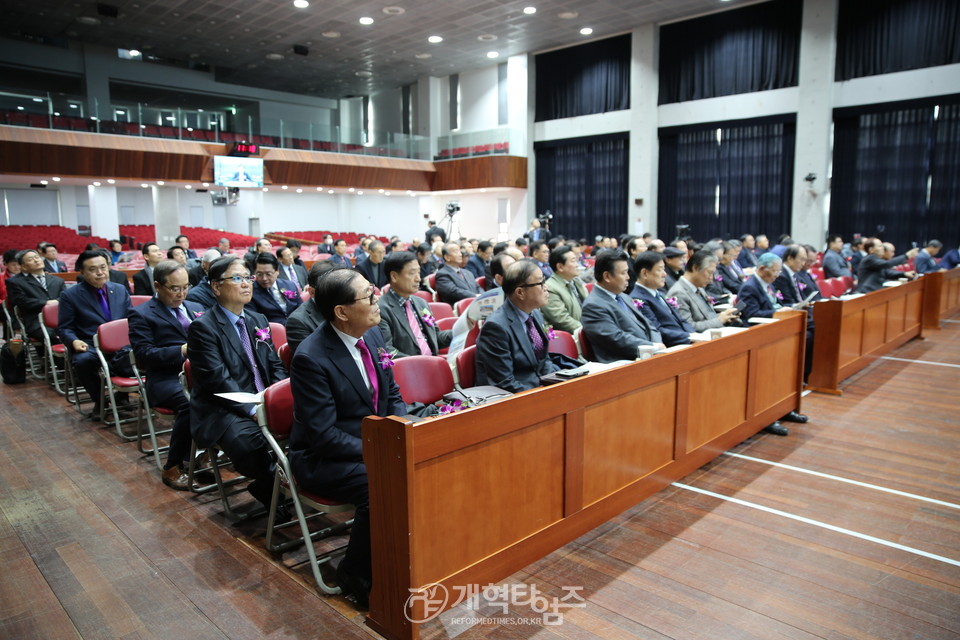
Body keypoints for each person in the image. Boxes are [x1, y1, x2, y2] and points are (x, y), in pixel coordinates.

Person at [287, 269, 408, 609]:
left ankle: (405, 555)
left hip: (375, 444)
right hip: (325, 459)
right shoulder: (312, 357)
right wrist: (384, 451)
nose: (377, 300)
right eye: (368, 297)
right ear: (341, 312)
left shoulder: (371, 334)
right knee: (382, 485)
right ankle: (354, 573)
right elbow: (324, 437)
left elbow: (392, 394)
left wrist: (400, 429)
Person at [186, 255, 286, 511]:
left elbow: (273, 365)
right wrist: (254, 410)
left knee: (306, 424)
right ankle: (269, 484)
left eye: (248, 277)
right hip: (222, 407)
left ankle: (284, 482)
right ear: (216, 287)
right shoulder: (203, 327)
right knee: (249, 441)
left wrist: (277, 399)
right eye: (237, 278)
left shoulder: (258, 320)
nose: (247, 284)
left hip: (261, 398)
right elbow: (217, 380)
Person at [128, 260, 204, 490]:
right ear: (158, 286)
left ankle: (206, 452)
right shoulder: (141, 314)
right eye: (174, 288)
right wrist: (180, 351)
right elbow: (144, 355)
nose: (181, 293)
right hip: (166, 378)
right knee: (190, 404)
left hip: (200, 374)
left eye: (185, 286)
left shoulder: (194, 306)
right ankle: (172, 465)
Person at [475, 260, 579, 392]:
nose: (546, 287)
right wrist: (541, 396)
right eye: (540, 283)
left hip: (539, 386)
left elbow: (544, 359)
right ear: (520, 293)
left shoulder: (535, 313)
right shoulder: (496, 328)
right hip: (514, 396)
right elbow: (504, 382)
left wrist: (553, 384)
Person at [58, 249, 134, 416]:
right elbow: (65, 328)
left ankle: (122, 396)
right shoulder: (70, 295)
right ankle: (100, 401)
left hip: (122, 344)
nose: (100, 273)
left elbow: (132, 319)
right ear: (83, 272)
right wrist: (74, 341)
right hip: (91, 345)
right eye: (93, 269)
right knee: (82, 361)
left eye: (103, 267)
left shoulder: (119, 289)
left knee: (142, 352)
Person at [581, 250, 664, 363]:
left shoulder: (623, 296)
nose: (628, 277)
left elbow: (649, 325)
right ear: (607, 276)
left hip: (646, 355)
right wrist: (652, 347)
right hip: (622, 363)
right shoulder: (593, 306)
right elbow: (616, 339)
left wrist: (657, 345)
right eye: (624, 273)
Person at [377, 251, 452, 357]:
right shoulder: (381, 309)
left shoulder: (421, 303)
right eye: (412, 273)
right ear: (394, 276)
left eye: (419, 272)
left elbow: (435, 338)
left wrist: (459, 331)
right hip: (407, 371)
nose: (418, 279)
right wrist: (418, 363)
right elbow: (386, 350)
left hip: (432, 365)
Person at [630, 251, 693, 347]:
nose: (665, 274)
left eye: (664, 269)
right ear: (645, 273)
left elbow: (681, 320)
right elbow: (657, 330)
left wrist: (695, 335)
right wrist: (689, 337)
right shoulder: (637, 298)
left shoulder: (660, 293)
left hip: (684, 341)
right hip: (670, 346)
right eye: (660, 270)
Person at [666, 250, 740, 332]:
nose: (711, 278)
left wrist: (726, 317)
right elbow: (688, 327)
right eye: (709, 273)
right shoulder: (679, 293)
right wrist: (720, 320)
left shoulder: (699, 287)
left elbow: (708, 316)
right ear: (695, 268)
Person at [7, 249, 65, 343]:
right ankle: (55, 357)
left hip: (61, 318)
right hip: (36, 321)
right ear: (23, 266)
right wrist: (46, 303)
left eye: (37, 257)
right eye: (30, 259)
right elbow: (21, 301)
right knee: (51, 335)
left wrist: (58, 302)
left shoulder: (58, 280)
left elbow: (65, 298)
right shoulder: (15, 282)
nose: (36, 260)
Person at [286, 262, 339, 354]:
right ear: (312, 292)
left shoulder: (347, 306)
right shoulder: (298, 321)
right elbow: (309, 360)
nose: (338, 293)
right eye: (329, 288)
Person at [542, 245, 588, 333]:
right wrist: (588, 330)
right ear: (560, 267)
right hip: (574, 336)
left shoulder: (576, 281)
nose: (577, 265)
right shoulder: (550, 288)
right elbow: (563, 320)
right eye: (573, 261)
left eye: (576, 260)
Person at [247, 253, 302, 325]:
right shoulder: (250, 292)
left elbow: (301, 308)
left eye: (268, 274)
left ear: (277, 271)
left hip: (297, 326)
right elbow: (254, 320)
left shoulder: (289, 285)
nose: (264, 278)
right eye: (259, 274)